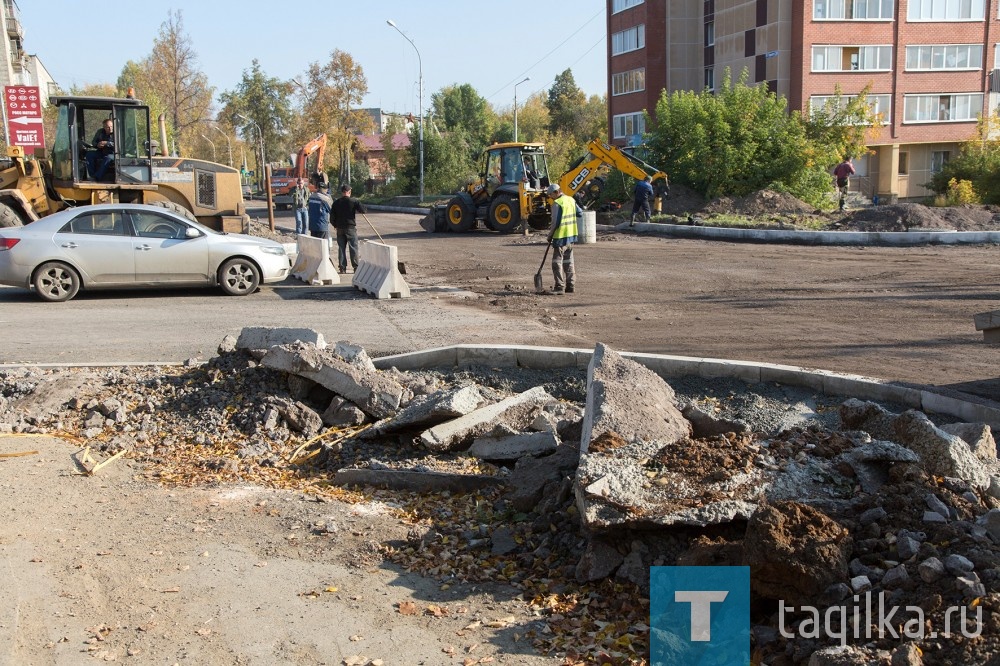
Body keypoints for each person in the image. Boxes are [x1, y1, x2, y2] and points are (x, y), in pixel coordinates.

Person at [546, 183, 582, 295]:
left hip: (560, 237)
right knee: (569, 262)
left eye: (551, 195)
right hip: (571, 237)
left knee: (556, 262)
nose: (550, 198)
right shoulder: (571, 200)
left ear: (556, 192)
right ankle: (570, 285)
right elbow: (580, 213)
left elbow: (555, 223)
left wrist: (550, 235)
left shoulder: (557, 204)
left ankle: (559, 286)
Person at [331, 184, 366, 274]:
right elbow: (363, 210)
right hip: (350, 228)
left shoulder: (336, 203)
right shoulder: (354, 201)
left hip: (340, 229)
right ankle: (356, 267)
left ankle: (342, 268)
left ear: (342, 192)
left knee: (341, 248)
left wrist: (335, 225)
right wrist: (357, 204)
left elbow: (331, 217)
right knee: (353, 247)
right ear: (349, 192)